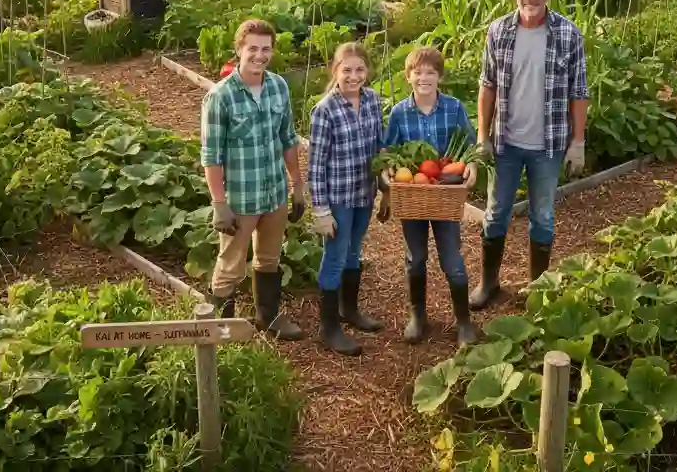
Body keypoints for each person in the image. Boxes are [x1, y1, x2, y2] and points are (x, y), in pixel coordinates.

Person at [469, 0, 589, 311]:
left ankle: (538, 287)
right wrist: (483, 136)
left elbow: (578, 92)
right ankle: (488, 283)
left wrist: (577, 142)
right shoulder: (499, 31)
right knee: (495, 212)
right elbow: (487, 86)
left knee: (543, 215)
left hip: (548, 145)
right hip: (506, 142)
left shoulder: (568, 34)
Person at [200, 19, 307, 340]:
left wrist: (297, 185)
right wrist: (219, 203)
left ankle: (268, 317)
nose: (260, 55)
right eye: (253, 49)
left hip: (273, 191)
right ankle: (220, 330)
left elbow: (288, 139)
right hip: (241, 197)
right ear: (239, 50)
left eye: (266, 49)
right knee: (231, 263)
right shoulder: (221, 97)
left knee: (270, 258)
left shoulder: (278, 87)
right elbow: (212, 156)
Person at [385, 46, 479, 345]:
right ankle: (418, 315)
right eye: (418, 72)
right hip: (413, 191)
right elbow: (388, 150)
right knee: (416, 258)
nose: (424, 78)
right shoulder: (399, 112)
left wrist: (473, 166)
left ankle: (464, 321)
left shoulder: (454, 108)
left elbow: (470, 144)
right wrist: (386, 171)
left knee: (452, 259)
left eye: (430, 72)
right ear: (408, 76)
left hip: (445, 193)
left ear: (439, 76)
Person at [308, 41, 385, 356]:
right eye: (347, 70)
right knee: (336, 255)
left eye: (359, 69)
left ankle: (349, 310)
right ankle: (329, 328)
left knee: (354, 252)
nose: (354, 76)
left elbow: (380, 150)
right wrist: (321, 211)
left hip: (364, 193)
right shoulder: (325, 110)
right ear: (335, 71)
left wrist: (387, 189)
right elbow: (315, 165)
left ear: (367, 71)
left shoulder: (372, 100)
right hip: (338, 196)